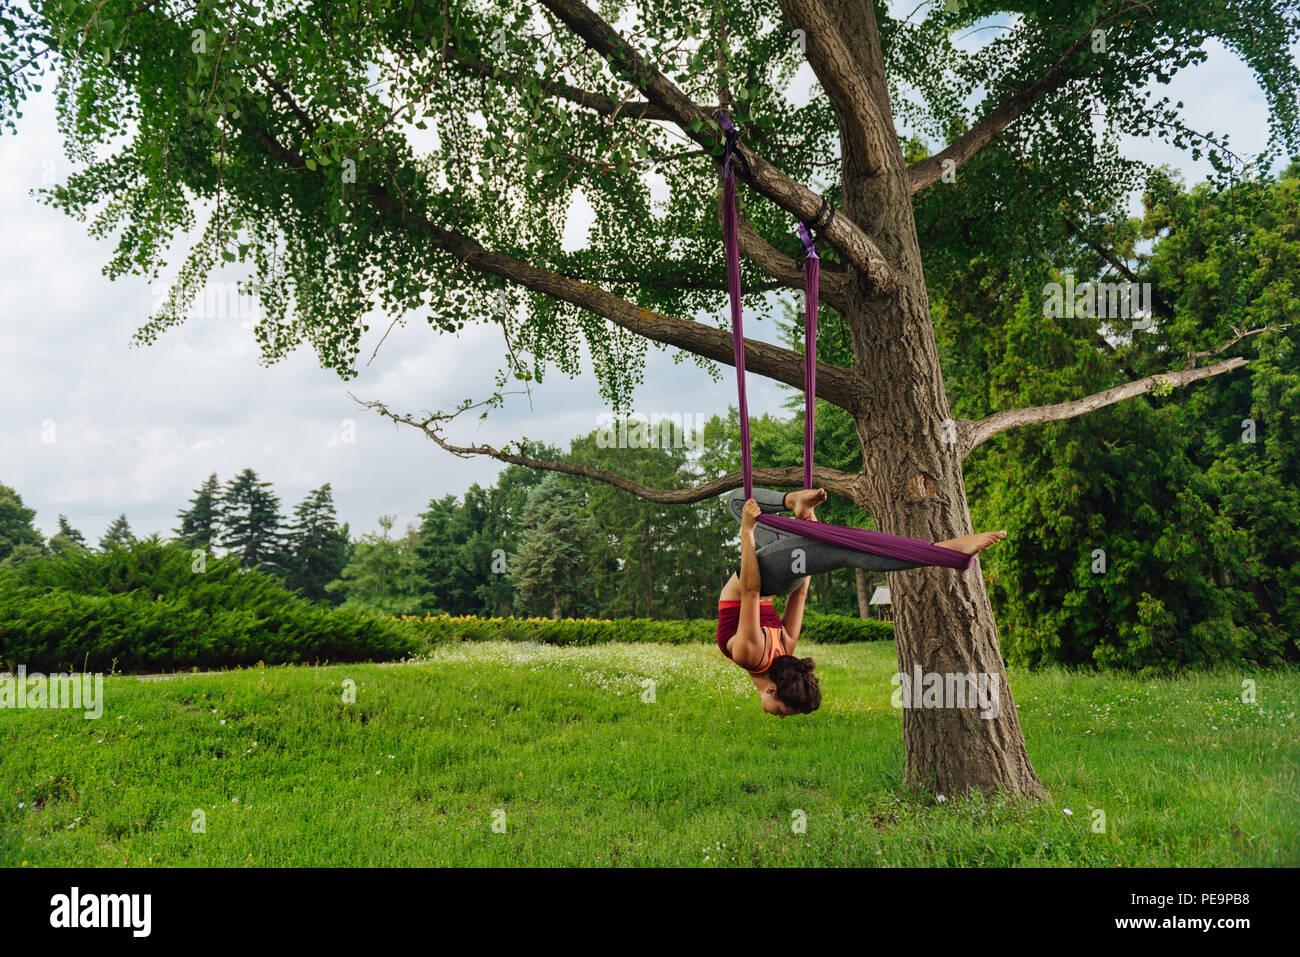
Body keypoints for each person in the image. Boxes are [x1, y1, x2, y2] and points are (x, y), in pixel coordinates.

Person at [716, 487, 1007, 717]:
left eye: (782, 712)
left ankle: (946, 553)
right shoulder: (770, 654)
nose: (779, 716)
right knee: (843, 547)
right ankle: (946, 552)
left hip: (767, 574)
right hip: (777, 572)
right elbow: (784, 593)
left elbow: (757, 591)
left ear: (772, 691)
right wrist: (807, 542)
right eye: (783, 712)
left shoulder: (756, 653)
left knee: (738, 501)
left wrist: (750, 531)